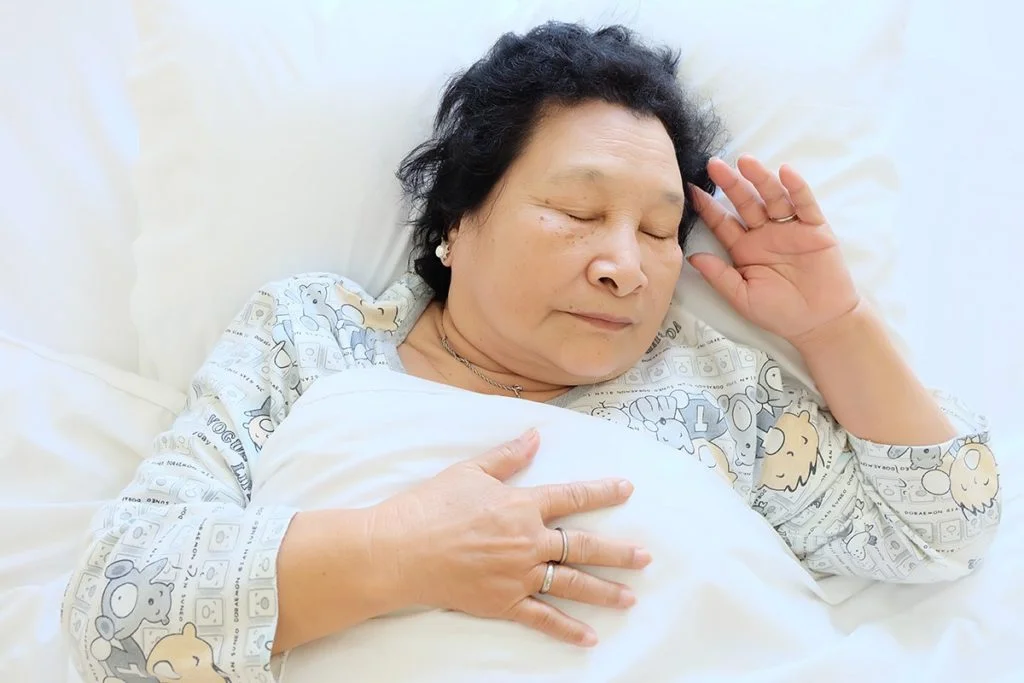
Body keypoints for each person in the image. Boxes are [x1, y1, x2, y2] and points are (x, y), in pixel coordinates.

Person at [62, 21, 1000, 683]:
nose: (625, 267)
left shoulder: (711, 381)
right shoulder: (313, 336)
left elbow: (939, 535)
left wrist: (833, 324)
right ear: (456, 223)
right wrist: (398, 553)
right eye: (579, 212)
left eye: (662, 229)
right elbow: (119, 605)